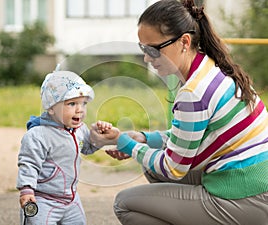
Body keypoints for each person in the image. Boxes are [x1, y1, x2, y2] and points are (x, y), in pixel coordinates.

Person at [90, 0, 268, 224]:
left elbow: (172, 168)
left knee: (124, 203)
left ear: (184, 42)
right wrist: (145, 139)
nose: (147, 57)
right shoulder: (211, 67)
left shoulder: (193, 93)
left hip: (246, 196)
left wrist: (125, 142)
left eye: (153, 49)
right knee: (152, 169)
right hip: (253, 184)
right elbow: (190, 136)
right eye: (143, 48)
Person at [16, 70, 119, 225]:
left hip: (71, 201)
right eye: (72, 104)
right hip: (44, 200)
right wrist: (26, 189)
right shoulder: (38, 135)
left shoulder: (80, 130)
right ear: (51, 107)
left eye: (83, 103)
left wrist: (101, 138)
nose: (80, 109)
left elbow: (87, 147)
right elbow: (29, 163)